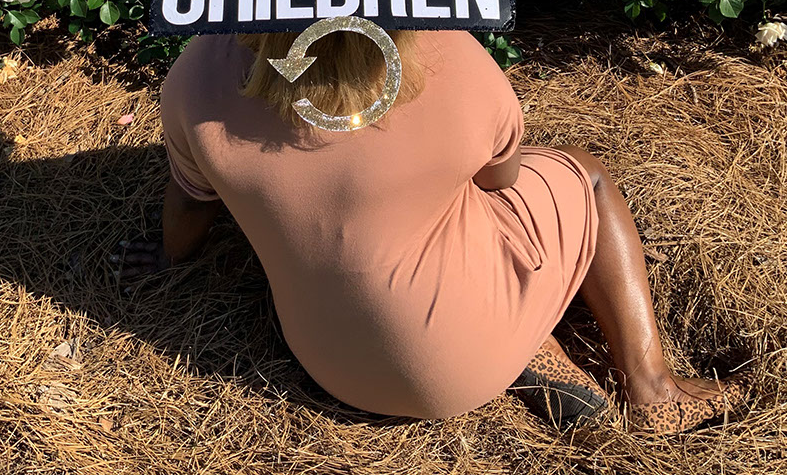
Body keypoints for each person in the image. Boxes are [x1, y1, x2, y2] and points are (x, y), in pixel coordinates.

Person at [116, 29, 752, 434]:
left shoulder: (199, 77)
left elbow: (191, 202)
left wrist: (170, 257)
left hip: (331, 365)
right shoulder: (450, 55)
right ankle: (651, 387)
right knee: (584, 175)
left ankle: (508, 338)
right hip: (459, 353)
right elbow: (501, 178)